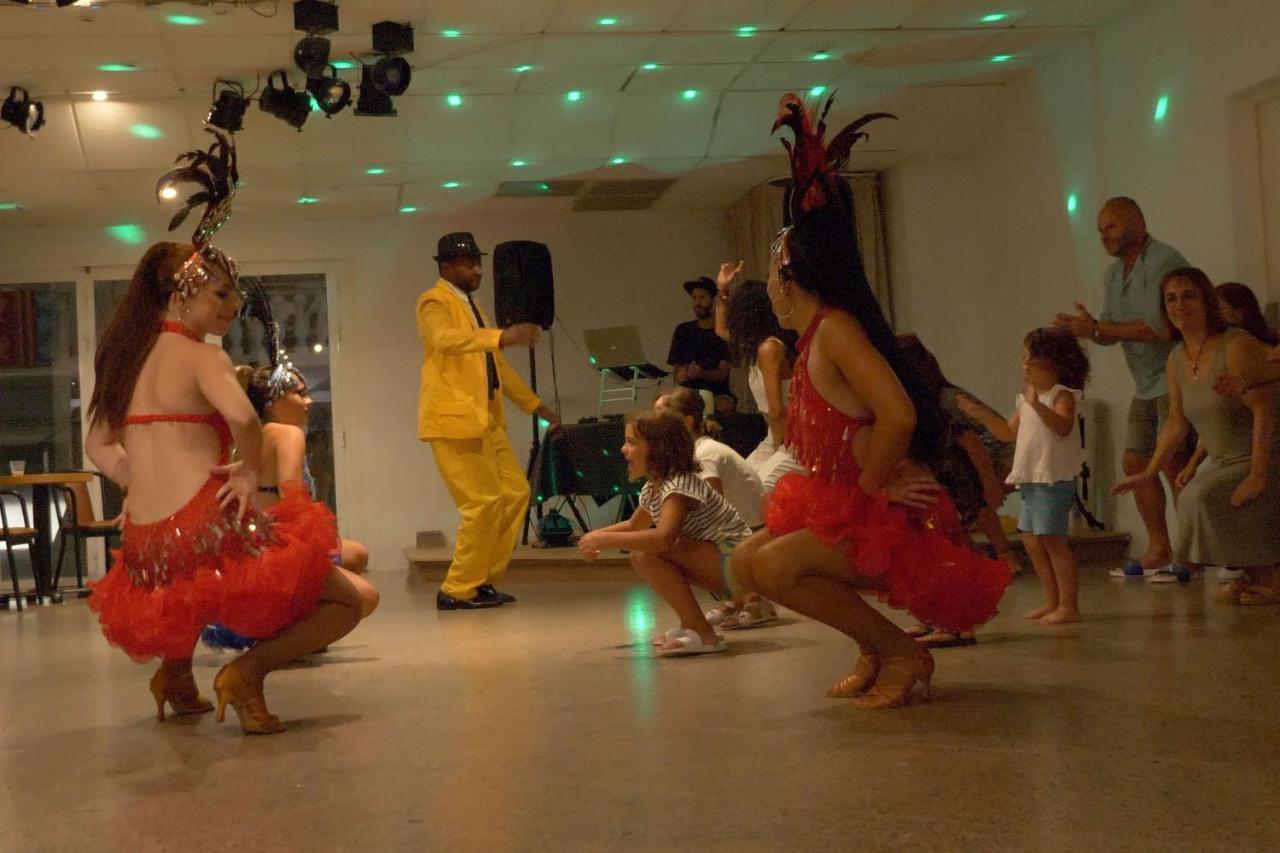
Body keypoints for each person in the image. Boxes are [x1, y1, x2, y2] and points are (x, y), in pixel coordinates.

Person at [85, 129, 373, 735]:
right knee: (353, 600)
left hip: (148, 534)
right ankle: (248, 673)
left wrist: (141, 486)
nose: (233, 304)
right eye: (222, 292)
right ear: (182, 292)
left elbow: (98, 446)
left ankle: (173, 675)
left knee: (187, 592)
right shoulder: (201, 356)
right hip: (207, 523)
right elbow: (245, 420)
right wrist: (245, 470)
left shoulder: (124, 360)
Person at [731, 93, 1011, 709]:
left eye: (774, 276)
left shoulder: (834, 329)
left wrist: (876, 486)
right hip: (848, 501)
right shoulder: (811, 340)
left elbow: (900, 414)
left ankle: (905, 651)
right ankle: (874, 646)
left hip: (883, 512)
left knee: (774, 569)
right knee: (748, 560)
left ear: (789, 277)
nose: (770, 288)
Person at [1113, 268, 1280, 605]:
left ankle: (1269, 575)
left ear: (1206, 301)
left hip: (1262, 455)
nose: (1179, 305)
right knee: (1191, 493)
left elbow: (1265, 410)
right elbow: (1177, 423)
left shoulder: (1234, 345)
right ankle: (1251, 573)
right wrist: (1150, 470)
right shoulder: (1176, 359)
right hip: (1223, 460)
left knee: (1200, 497)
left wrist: (1258, 475)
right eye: (1171, 299)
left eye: (1189, 295)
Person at [417, 232, 559, 610]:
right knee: (481, 503)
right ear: (445, 267)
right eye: (467, 262)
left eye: (477, 261)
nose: (476, 268)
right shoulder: (434, 301)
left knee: (515, 494)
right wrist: (503, 336)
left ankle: (481, 580)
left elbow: (495, 365)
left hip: (485, 420)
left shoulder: (474, 305)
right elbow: (446, 340)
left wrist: (535, 405)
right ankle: (456, 589)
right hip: (453, 420)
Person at [1054, 197, 1192, 581]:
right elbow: (1110, 332)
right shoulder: (1114, 274)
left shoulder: (1165, 260)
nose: (1104, 236)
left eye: (1111, 227)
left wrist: (1098, 329)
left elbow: (1160, 328)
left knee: (1173, 462)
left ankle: (1192, 551)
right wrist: (1088, 327)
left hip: (1175, 376)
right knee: (1135, 462)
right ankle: (1160, 548)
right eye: (1099, 230)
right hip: (1145, 382)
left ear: (1136, 222)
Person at [576, 410, 751, 655]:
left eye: (631, 442)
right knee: (644, 552)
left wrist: (602, 538)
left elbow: (663, 537)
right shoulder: (654, 487)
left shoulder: (679, 485)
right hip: (722, 562)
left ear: (658, 449)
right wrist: (593, 537)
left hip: (736, 562)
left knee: (645, 554)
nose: (623, 449)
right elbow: (634, 526)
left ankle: (703, 633)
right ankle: (691, 624)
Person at [961, 329, 1091, 625]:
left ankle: (1069, 606)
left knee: (1053, 540)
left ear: (1052, 362)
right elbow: (1008, 432)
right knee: (1032, 541)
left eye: (1030, 359)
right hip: (1032, 478)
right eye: (1024, 359)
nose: (1025, 366)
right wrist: (980, 415)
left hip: (1052, 478)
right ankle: (1052, 600)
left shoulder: (1062, 395)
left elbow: (1062, 427)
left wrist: (1036, 405)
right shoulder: (1026, 400)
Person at [656, 387, 775, 629]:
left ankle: (752, 597)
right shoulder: (697, 451)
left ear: (686, 422)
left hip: (750, 535)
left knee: (677, 544)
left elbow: (710, 507)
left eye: (662, 416)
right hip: (743, 530)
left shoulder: (703, 454)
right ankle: (736, 598)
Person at [713, 265, 808, 491]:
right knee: (734, 488)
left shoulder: (769, 348)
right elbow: (719, 329)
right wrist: (722, 291)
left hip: (792, 438)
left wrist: (778, 448)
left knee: (756, 493)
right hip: (774, 435)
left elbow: (777, 411)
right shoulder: (757, 345)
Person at [667, 276, 735, 414]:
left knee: (722, 406)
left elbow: (722, 373)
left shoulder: (723, 331)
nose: (697, 302)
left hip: (718, 393)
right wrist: (685, 374)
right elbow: (677, 374)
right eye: (694, 298)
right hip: (687, 394)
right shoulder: (683, 330)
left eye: (702, 297)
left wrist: (701, 373)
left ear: (712, 300)